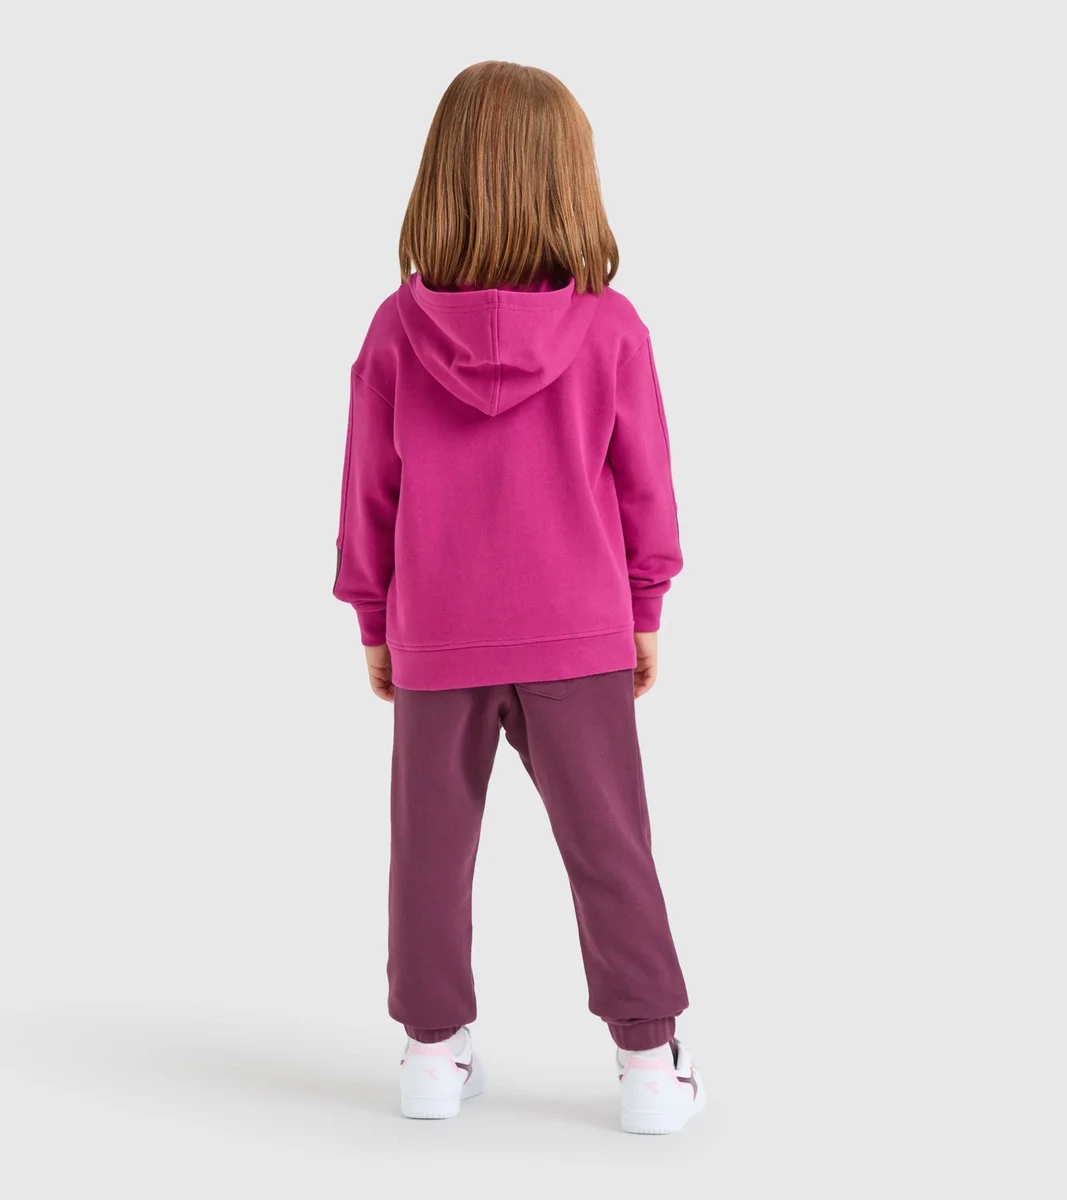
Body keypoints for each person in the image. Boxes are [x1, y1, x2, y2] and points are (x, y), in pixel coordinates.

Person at [334, 60, 703, 1135]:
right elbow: (644, 486)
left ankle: (430, 1056)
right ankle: (647, 1067)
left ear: (443, 178)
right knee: (610, 848)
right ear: (565, 180)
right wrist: (643, 607)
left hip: (436, 633)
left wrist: (374, 620)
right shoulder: (610, 328)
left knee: (428, 852)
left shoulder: (395, 331)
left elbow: (368, 490)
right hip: (578, 629)